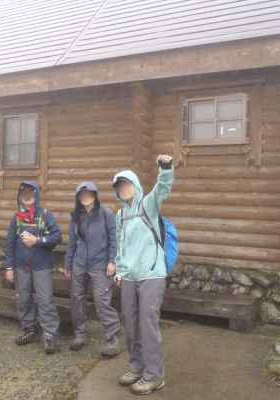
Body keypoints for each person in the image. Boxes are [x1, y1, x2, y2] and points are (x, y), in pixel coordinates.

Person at [113, 154, 174, 396]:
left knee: (147, 325)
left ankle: (154, 375)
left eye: (127, 184)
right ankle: (137, 367)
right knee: (130, 323)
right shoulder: (120, 215)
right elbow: (120, 246)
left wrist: (166, 169)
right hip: (129, 276)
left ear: (135, 185)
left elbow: (162, 189)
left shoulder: (147, 205)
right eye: (119, 186)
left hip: (152, 274)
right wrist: (119, 270)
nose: (123, 189)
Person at [4, 181, 62, 354]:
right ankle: (29, 330)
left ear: (35, 195)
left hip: (41, 267)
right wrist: (9, 267)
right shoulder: (16, 218)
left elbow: (57, 237)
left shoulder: (45, 215)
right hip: (22, 268)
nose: (27, 197)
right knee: (24, 300)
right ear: (19, 197)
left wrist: (38, 241)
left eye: (31, 193)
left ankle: (50, 335)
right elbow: (10, 244)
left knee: (45, 301)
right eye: (24, 194)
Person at [64, 182, 121, 357]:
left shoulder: (106, 214)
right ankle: (80, 334)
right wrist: (68, 264)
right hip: (79, 264)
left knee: (102, 301)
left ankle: (112, 339)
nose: (85, 197)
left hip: (100, 265)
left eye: (88, 194)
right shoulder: (76, 217)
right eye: (82, 195)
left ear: (95, 195)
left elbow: (114, 239)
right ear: (78, 198)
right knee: (77, 299)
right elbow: (72, 243)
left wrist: (113, 261)